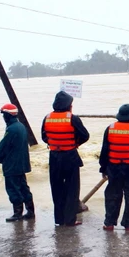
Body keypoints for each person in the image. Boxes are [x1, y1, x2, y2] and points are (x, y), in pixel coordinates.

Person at [41, 91, 90, 226]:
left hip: (54, 156)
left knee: (56, 188)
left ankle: (59, 219)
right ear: (69, 106)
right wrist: (75, 143)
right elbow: (85, 135)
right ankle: (70, 220)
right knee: (72, 188)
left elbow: (44, 137)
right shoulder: (72, 118)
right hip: (70, 156)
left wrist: (55, 142)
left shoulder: (47, 118)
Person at [99, 104, 129, 232]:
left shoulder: (110, 129)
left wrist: (103, 168)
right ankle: (127, 224)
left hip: (113, 168)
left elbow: (105, 151)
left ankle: (109, 223)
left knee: (112, 196)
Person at [0, 103, 34, 222]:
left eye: (4, 114)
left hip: (12, 165)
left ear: (8, 115)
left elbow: (4, 146)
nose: (3, 117)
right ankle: (30, 211)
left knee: (13, 189)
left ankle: (17, 213)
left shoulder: (11, 129)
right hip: (21, 164)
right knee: (23, 187)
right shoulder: (20, 126)